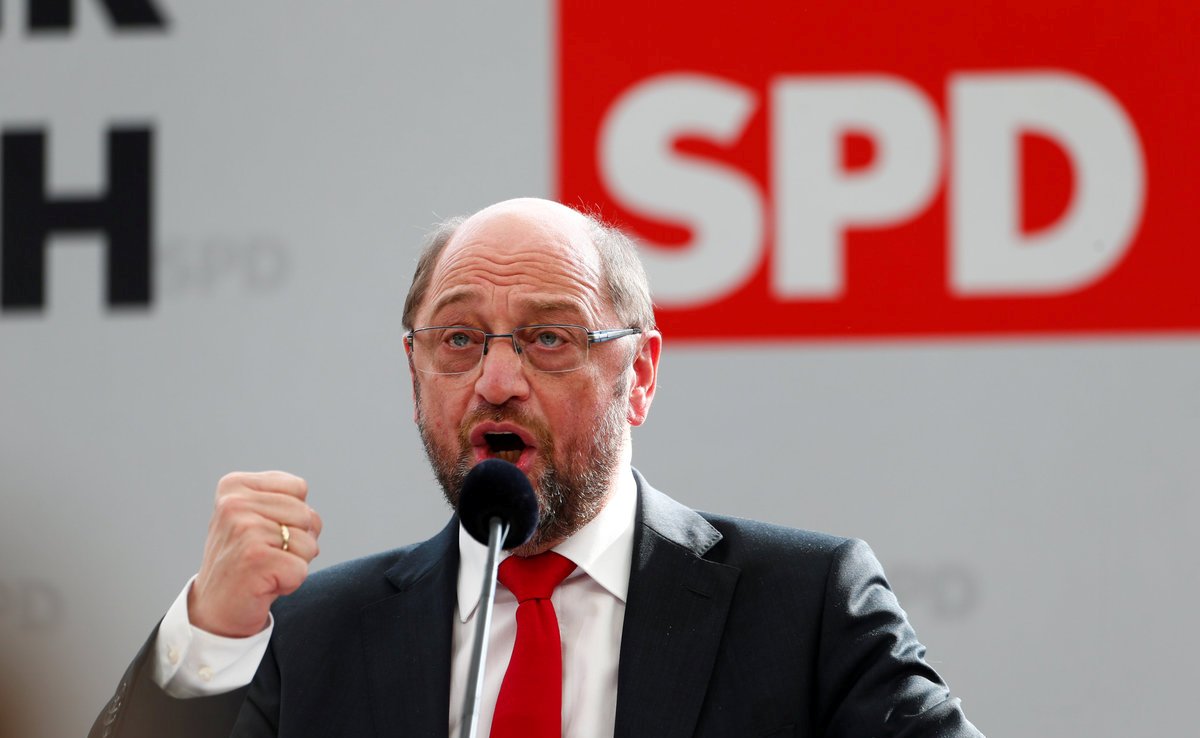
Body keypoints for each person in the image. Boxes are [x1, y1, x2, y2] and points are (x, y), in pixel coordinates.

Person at [90, 198, 983, 737]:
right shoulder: (316, 638)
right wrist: (211, 638)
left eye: (549, 338)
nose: (496, 381)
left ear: (639, 376)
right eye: (459, 339)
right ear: (415, 375)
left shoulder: (803, 609)